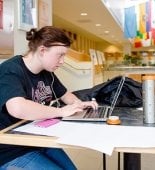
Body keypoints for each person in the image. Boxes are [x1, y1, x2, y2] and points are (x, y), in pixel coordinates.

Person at [0, 26, 98, 170]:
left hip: (37, 140)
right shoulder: (10, 70)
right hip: (11, 150)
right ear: (42, 50)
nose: (63, 61)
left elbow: (65, 95)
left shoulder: (47, 73)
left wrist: (79, 104)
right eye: (60, 55)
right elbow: (18, 108)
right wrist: (61, 112)